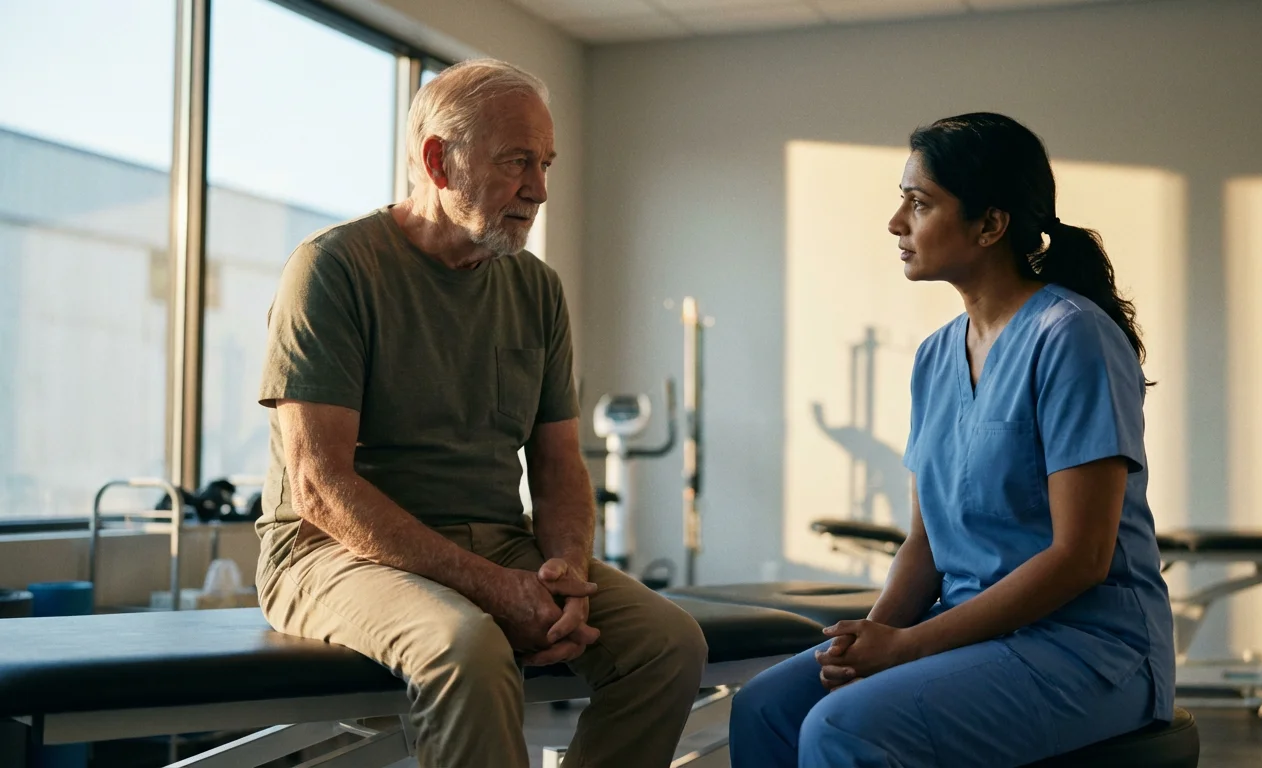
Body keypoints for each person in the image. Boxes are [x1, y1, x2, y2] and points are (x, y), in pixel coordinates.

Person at [252, 58, 707, 768]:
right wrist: (495, 589)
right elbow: (319, 487)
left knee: (668, 645)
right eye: (518, 162)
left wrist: (566, 577)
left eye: (546, 163)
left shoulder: (536, 289)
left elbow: (558, 465)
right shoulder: (334, 268)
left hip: (497, 539)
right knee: (470, 650)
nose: (540, 190)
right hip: (332, 552)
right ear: (439, 160)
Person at [729, 113, 1175, 767]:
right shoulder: (937, 356)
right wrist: (875, 636)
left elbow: (1081, 556)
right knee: (765, 707)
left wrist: (910, 648)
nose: (895, 223)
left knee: (845, 729)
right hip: (975, 634)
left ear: (990, 224)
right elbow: (926, 541)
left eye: (919, 203)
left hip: (1090, 648)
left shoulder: (1070, 336)